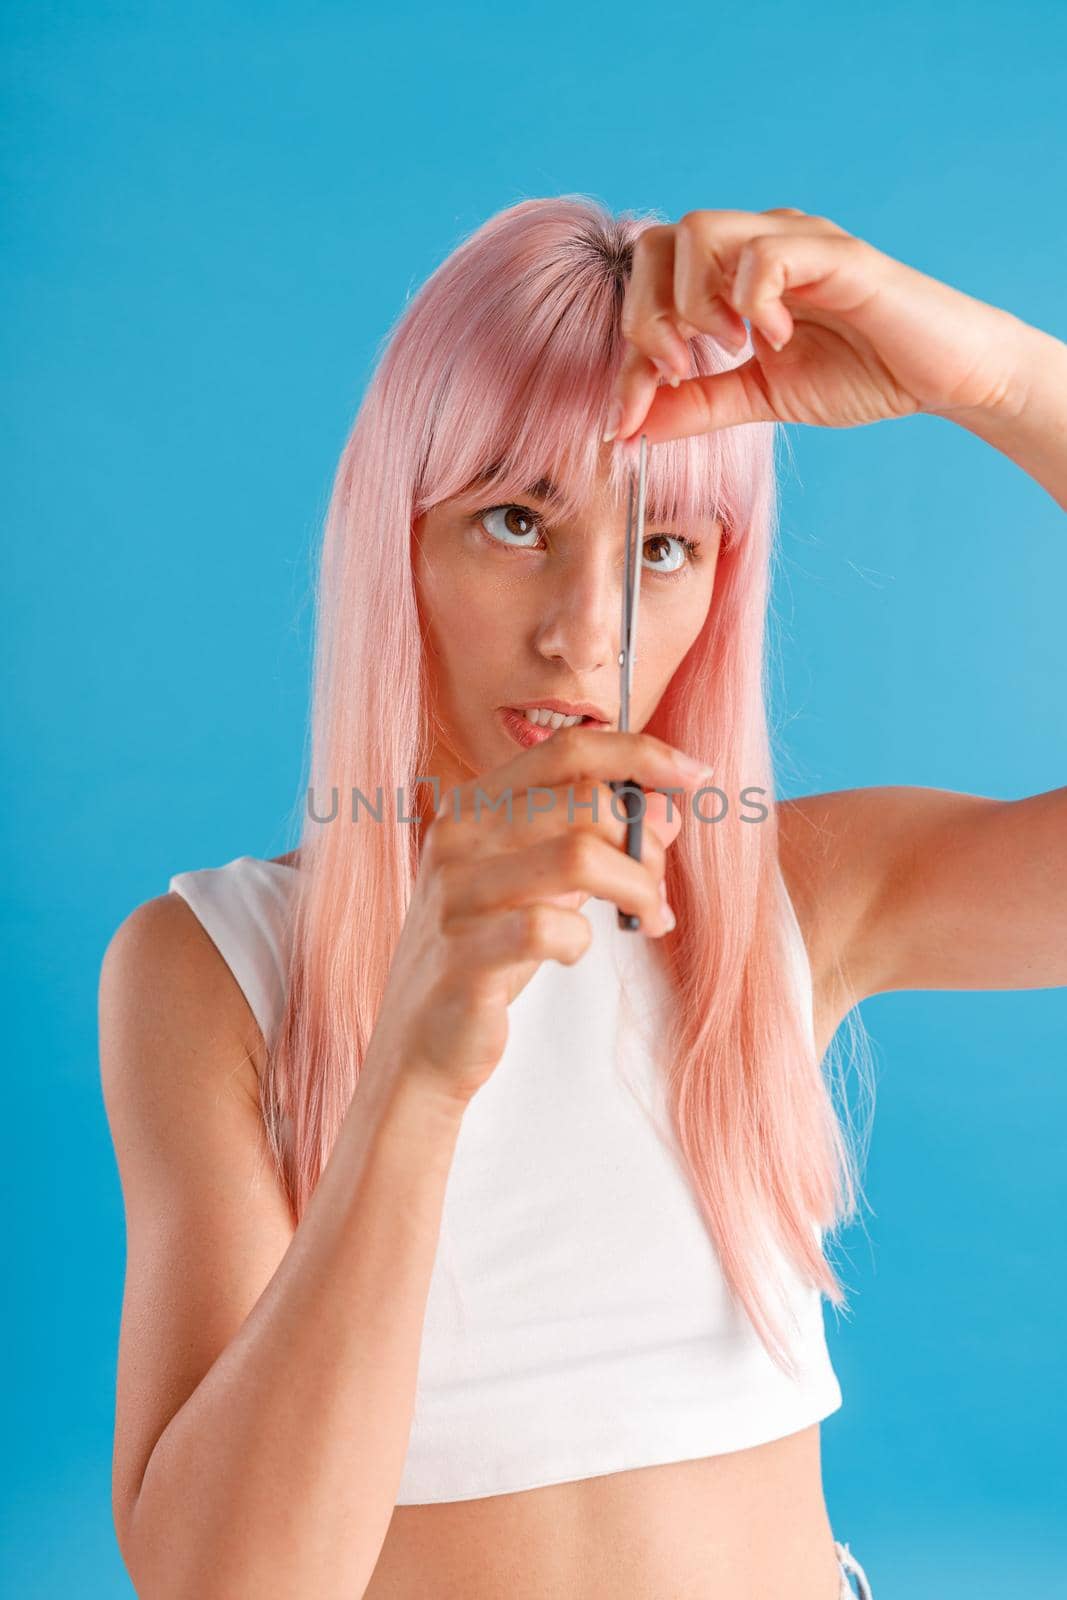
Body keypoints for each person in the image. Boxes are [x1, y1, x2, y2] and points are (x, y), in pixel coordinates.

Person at [98, 197, 1067, 1600]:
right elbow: (227, 1586)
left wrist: (1001, 377)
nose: (584, 635)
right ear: (398, 539)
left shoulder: (785, 899)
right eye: (513, 519)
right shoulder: (217, 969)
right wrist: (416, 1075)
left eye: (663, 549)